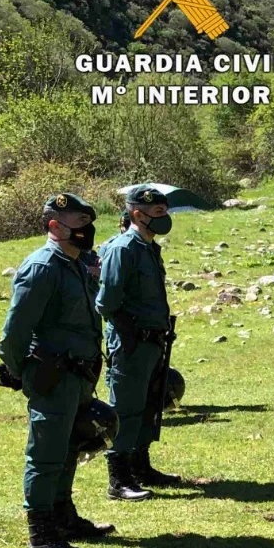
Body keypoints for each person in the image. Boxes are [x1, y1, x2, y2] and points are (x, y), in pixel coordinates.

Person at [0, 193, 111, 548]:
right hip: (53, 376)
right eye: (79, 223)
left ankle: (64, 517)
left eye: (87, 222)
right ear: (54, 226)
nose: (87, 230)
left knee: (68, 449)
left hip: (78, 376)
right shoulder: (42, 266)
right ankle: (42, 535)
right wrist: (20, 372)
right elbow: (15, 331)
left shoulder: (75, 263)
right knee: (46, 455)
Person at [95, 185, 183, 501]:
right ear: (138, 214)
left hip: (153, 342)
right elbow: (106, 302)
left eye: (165, 211)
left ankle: (141, 466)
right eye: (158, 213)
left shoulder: (148, 248)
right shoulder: (123, 249)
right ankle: (118, 479)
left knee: (149, 405)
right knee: (125, 408)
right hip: (131, 343)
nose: (165, 218)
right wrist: (131, 330)